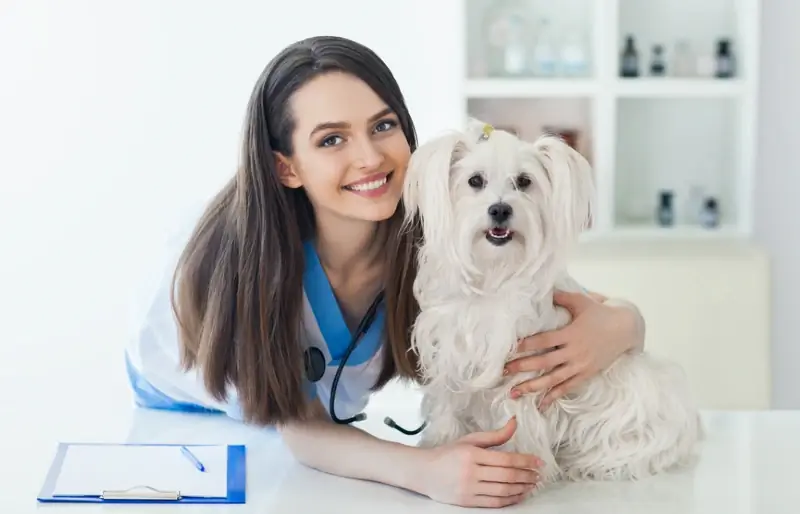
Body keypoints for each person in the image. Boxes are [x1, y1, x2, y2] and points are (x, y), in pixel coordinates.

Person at [124, 35, 646, 508]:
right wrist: (424, 471)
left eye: (382, 126)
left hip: (295, 435)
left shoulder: (439, 231)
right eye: (332, 140)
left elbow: (553, 299)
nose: (370, 157)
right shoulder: (245, 259)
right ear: (286, 166)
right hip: (176, 412)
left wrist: (624, 324)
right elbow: (298, 425)